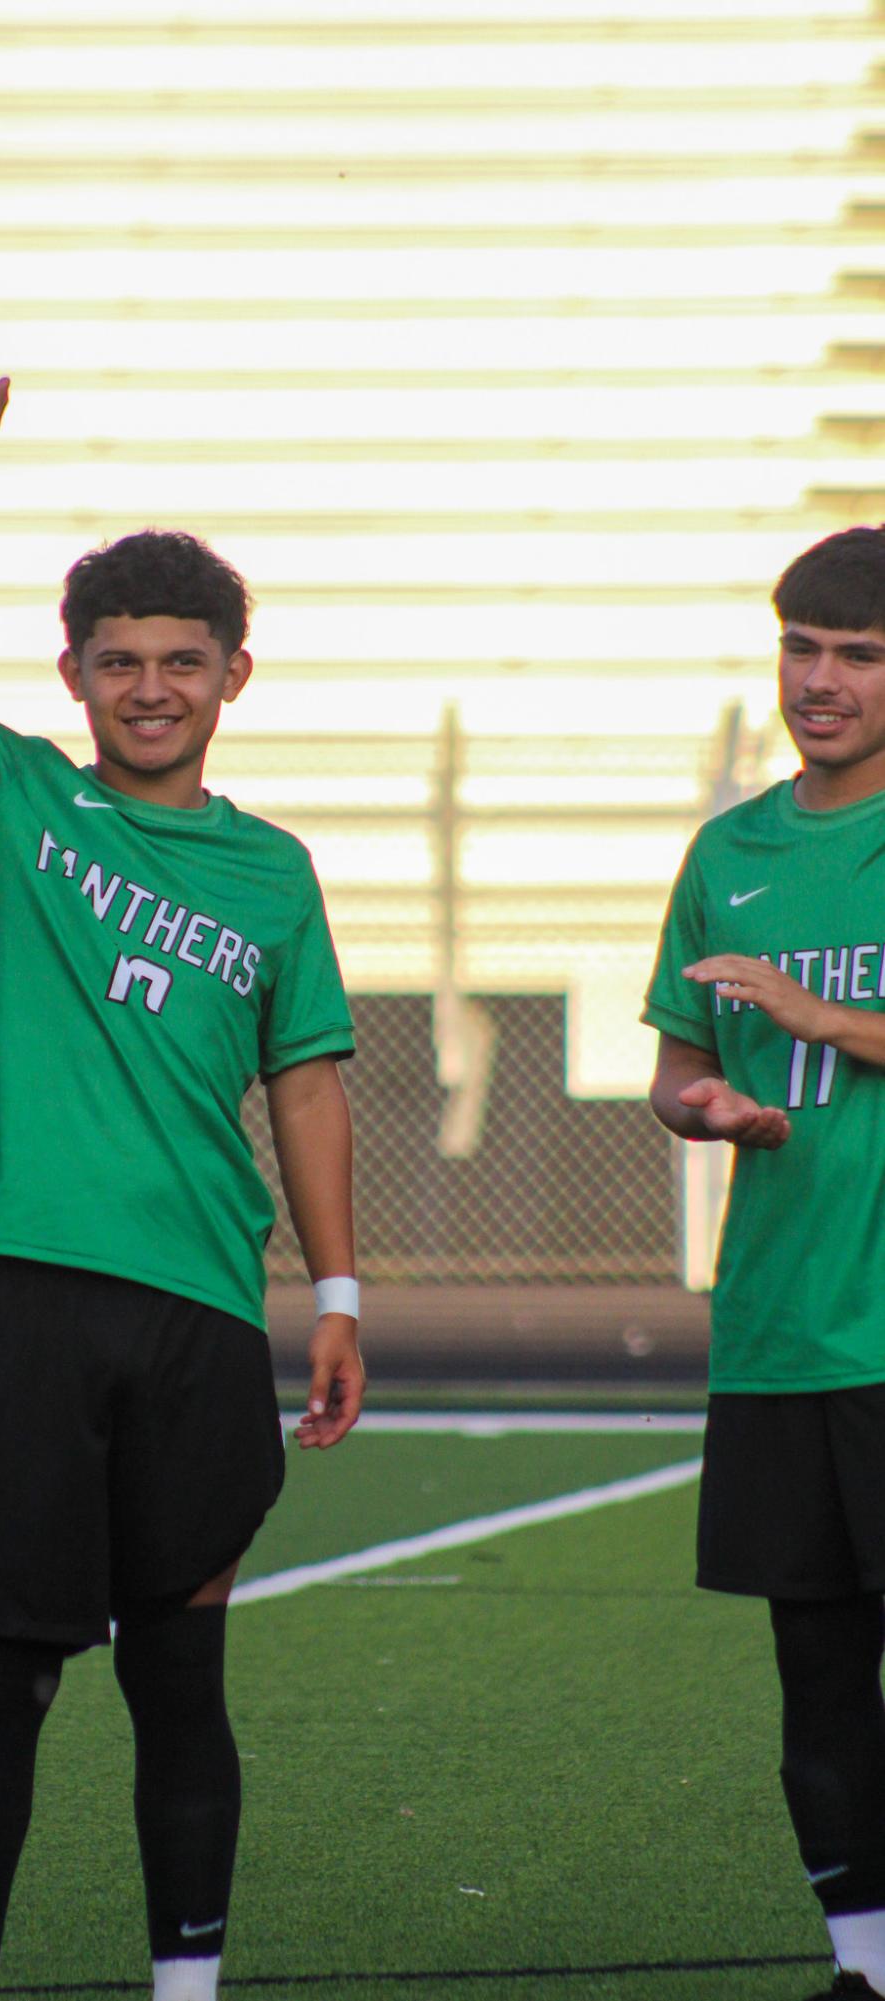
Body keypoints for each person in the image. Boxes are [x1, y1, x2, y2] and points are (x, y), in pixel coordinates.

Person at [0, 320, 363, 2001]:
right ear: (71, 674)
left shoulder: (275, 874)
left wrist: (337, 1290)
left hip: (202, 1314)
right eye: (120, 658)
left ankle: (186, 1987)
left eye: (182, 660)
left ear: (232, 677)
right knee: (1, 1679)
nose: (152, 685)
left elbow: (305, 1088)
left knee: (182, 1679)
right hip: (21, 1294)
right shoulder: (9, 802)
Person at [644, 524, 885, 2000]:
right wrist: (703, 1104)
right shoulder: (724, 852)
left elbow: (808, 1018)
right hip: (781, 1329)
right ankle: (862, 1967)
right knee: (816, 1684)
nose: (819, 679)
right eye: (801, 646)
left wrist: (823, 1018)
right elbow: (676, 1062)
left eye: (856, 654)